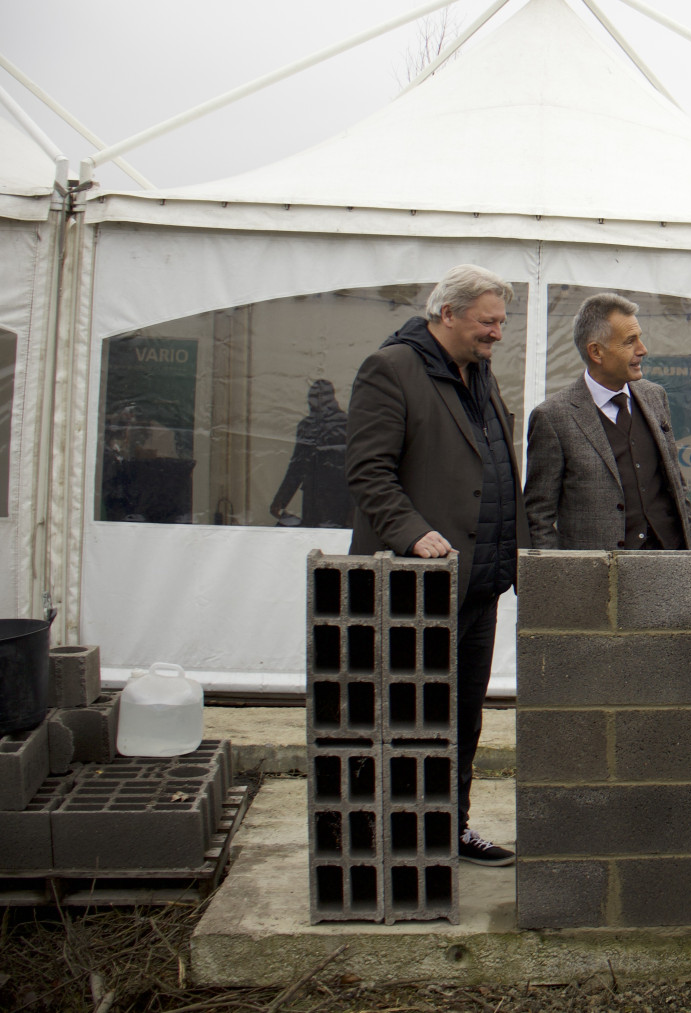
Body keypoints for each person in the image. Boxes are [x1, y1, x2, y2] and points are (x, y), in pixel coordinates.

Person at [345, 264, 529, 866]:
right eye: (488, 321)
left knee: (464, 718)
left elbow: (499, 467)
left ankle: (451, 826)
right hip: (418, 586)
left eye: (501, 322)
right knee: (411, 719)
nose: (498, 333)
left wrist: (520, 556)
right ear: (446, 314)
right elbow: (369, 472)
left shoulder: (477, 374)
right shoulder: (391, 369)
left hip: (478, 584)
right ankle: (400, 840)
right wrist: (413, 532)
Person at [523, 293, 691, 551]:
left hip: (671, 567)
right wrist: (559, 581)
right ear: (596, 351)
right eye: (630, 342)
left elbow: (678, 488)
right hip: (599, 579)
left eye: (639, 338)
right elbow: (538, 517)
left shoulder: (655, 397)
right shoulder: (553, 418)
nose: (642, 350)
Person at [270, 378, 352, 528]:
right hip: (333, 496)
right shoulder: (346, 423)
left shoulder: (309, 426)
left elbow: (296, 468)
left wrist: (280, 501)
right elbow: (297, 468)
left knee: (316, 536)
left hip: (322, 496)